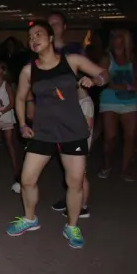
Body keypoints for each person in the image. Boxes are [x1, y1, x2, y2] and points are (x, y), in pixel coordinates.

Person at [6, 20, 108, 249]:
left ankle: (72, 226)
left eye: (38, 34)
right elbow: (20, 98)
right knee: (27, 179)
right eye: (30, 37)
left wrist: (95, 79)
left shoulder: (72, 61)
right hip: (42, 132)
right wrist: (22, 124)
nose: (33, 40)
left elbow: (103, 73)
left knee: (74, 182)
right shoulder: (28, 70)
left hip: (73, 131)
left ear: (51, 37)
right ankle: (30, 219)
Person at [47, 12, 95, 217]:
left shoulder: (74, 50)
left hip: (79, 106)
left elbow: (94, 73)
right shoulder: (43, 51)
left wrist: (95, 79)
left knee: (78, 161)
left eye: (56, 23)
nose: (52, 27)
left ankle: (81, 206)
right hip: (60, 110)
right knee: (66, 160)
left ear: (65, 26)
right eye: (49, 24)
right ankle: (71, 197)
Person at [98, 29, 137, 182]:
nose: (116, 40)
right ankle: (107, 164)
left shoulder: (131, 58)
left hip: (130, 100)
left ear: (125, 40)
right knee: (111, 137)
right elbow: (102, 79)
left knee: (130, 136)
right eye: (114, 37)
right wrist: (122, 86)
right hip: (110, 100)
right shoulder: (107, 58)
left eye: (119, 37)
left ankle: (125, 170)